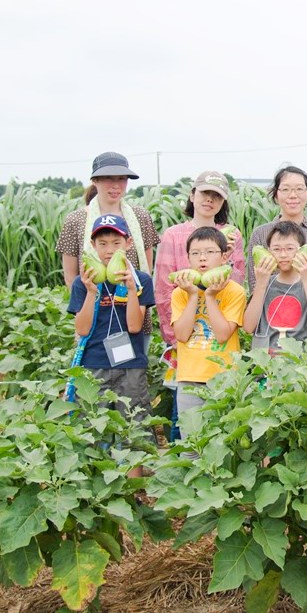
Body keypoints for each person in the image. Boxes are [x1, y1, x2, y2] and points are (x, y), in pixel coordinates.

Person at [68, 215, 155, 476]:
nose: (109, 250)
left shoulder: (141, 280)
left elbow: (135, 327)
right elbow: (82, 329)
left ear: (127, 244)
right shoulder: (83, 282)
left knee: (134, 428)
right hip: (93, 365)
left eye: (116, 243)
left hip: (130, 366)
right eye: (103, 243)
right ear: (93, 246)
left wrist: (130, 290)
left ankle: (134, 494)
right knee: (92, 430)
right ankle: (96, 493)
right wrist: (92, 292)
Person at [56, 152, 159, 341]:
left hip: (133, 315)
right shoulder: (76, 220)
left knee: (134, 367)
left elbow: (147, 270)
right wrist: (93, 308)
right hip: (94, 318)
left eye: (122, 178)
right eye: (108, 178)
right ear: (94, 180)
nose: (116, 185)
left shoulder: (141, 217)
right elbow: (71, 277)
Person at [155, 171, 245, 348]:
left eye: (216, 196)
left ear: (223, 202)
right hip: (183, 331)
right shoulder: (173, 235)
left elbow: (238, 283)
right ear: (192, 195)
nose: (209, 200)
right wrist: (173, 338)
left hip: (220, 332)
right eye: (205, 193)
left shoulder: (232, 235)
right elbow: (163, 289)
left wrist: (226, 259)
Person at [171, 227, 246, 431]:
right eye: (195, 253)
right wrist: (194, 295)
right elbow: (181, 334)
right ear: (188, 258)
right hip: (189, 378)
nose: (202, 258)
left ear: (224, 257)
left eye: (210, 252)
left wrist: (210, 297)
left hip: (224, 377)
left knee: (223, 440)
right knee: (191, 444)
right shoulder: (180, 293)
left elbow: (222, 335)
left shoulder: (235, 291)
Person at [247, 165, 307, 294]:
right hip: (271, 310)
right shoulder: (260, 234)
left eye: (299, 189)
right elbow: (255, 283)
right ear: (276, 195)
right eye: (285, 189)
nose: (293, 195)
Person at [243, 221, 307, 352]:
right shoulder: (265, 284)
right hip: (268, 367)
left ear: (301, 250)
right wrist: (260, 284)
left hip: (303, 366)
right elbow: (248, 327)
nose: (283, 255)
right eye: (276, 249)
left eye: (289, 249)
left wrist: (306, 280)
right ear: (268, 252)